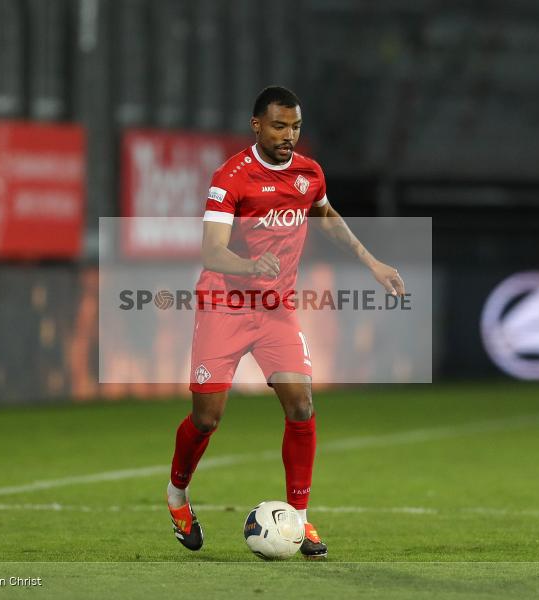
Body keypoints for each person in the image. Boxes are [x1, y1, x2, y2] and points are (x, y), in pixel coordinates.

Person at [166, 86, 405, 558]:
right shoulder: (230, 176)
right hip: (224, 305)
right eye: (279, 126)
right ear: (257, 125)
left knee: (301, 403)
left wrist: (372, 262)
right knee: (207, 417)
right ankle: (177, 495)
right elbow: (211, 249)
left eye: (295, 127)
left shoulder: (308, 173)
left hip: (275, 310)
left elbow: (327, 216)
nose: (288, 135)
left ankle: (299, 517)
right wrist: (249, 266)